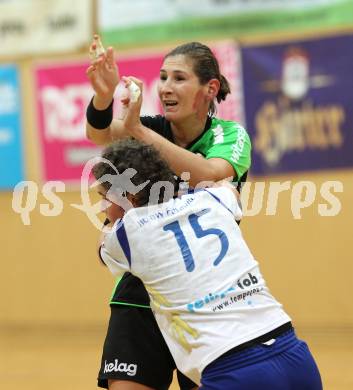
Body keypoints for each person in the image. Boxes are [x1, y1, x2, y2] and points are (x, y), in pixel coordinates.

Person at [85, 38, 251, 389]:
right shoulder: (148, 127)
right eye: (162, 77)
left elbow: (209, 172)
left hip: (208, 296)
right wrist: (103, 96)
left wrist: (137, 130)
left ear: (211, 88)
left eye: (179, 78)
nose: (165, 88)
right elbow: (99, 133)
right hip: (146, 287)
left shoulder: (229, 135)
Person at [93, 138, 323, 389]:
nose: (103, 206)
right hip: (294, 355)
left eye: (105, 197)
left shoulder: (126, 233)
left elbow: (102, 247)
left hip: (233, 370)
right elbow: (228, 187)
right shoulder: (215, 198)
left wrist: (115, 219)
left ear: (129, 196)